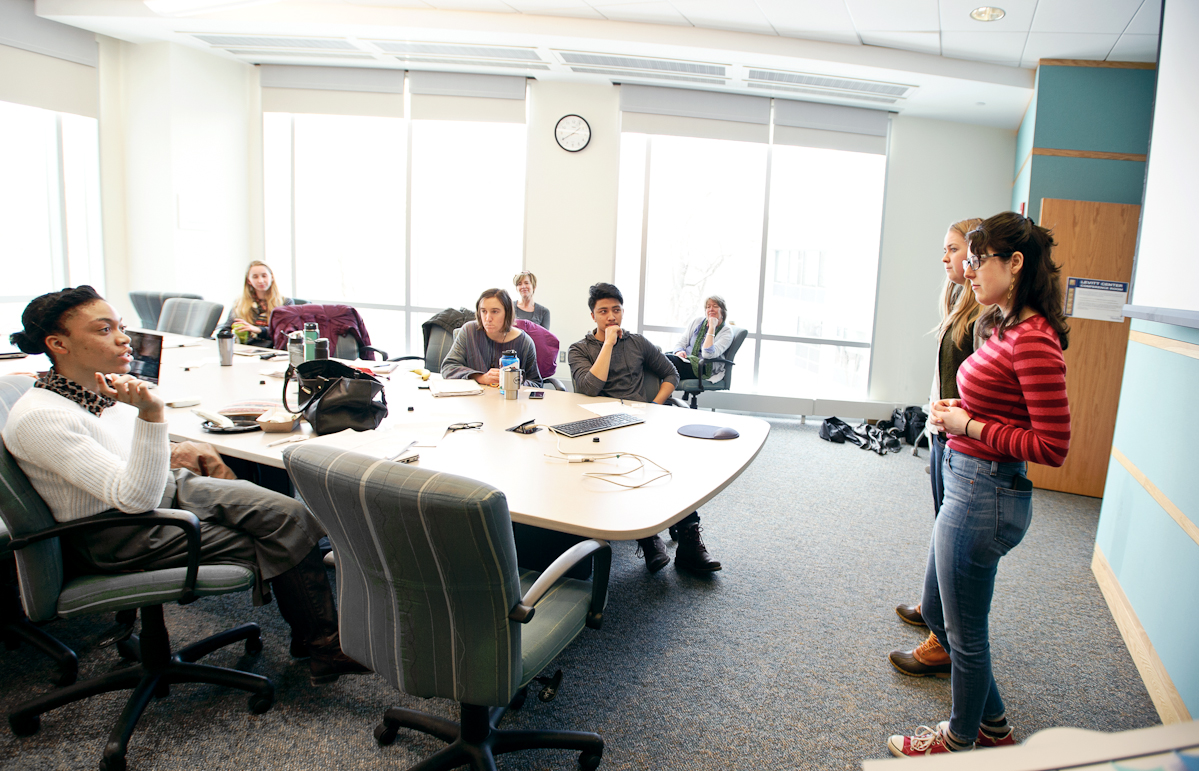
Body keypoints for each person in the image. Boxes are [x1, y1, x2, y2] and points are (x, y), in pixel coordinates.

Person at [3, 286, 369, 687]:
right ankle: (324, 647)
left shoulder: (101, 390)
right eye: (104, 330)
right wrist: (151, 413)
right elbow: (132, 499)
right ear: (59, 344)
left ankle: (313, 642)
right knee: (273, 538)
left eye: (120, 326)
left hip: (163, 489)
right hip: (117, 532)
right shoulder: (43, 418)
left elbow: (144, 464)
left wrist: (162, 432)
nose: (124, 338)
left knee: (291, 513)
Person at [888, 212, 1071, 756]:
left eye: (976, 259)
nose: (967, 270)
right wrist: (960, 409)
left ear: (1014, 264)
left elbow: (1052, 446)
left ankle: (958, 740)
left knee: (964, 636)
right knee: (949, 616)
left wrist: (968, 425)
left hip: (985, 493)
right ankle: (994, 729)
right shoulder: (1003, 325)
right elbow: (1003, 404)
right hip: (970, 479)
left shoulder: (1035, 338)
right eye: (965, 259)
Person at [568, 282, 721, 573]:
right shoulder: (580, 349)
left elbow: (671, 373)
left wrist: (655, 405)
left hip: (642, 421)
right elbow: (589, 387)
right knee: (632, 464)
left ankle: (689, 541)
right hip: (603, 428)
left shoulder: (638, 342)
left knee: (674, 463)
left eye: (616, 310)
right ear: (593, 316)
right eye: (603, 311)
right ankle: (649, 537)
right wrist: (609, 344)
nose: (611, 316)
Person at [889, 218, 984, 679]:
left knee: (953, 539)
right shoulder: (958, 304)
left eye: (952, 250)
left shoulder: (982, 316)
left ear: (975, 257)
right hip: (947, 431)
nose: (944, 258)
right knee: (941, 528)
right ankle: (933, 610)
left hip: (966, 443)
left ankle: (942, 640)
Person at [442, 288, 542, 387]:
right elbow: (448, 367)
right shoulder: (469, 331)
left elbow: (536, 383)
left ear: (507, 314)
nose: (488, 318)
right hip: (473, 400)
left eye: (495, 312)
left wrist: (516, 382)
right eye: (483, 311)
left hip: (508, 400)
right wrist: (481, 377)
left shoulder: (525, 342)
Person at [670, 295, 735, 384]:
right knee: (656, 359)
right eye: (708, 307)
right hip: (684, 360)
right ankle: (659, 397)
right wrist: (679, 352)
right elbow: (681, 342)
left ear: (723, 311)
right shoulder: (697, 321)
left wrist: (712, 327)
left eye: (715, 306)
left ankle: (660, 397)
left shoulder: (726, 332)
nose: (711, 309)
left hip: (703, 367)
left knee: (661, 362)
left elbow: (707, 354)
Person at [227, 261, 293, 347]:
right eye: (255, 277)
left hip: (272, 349)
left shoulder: (285, 302)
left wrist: (258, 330)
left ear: (271, 277)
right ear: (249, 281)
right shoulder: (239, 302)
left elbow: (285, 332)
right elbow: (227, 328)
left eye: (264, 276)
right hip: (246, 348)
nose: (260, 280)